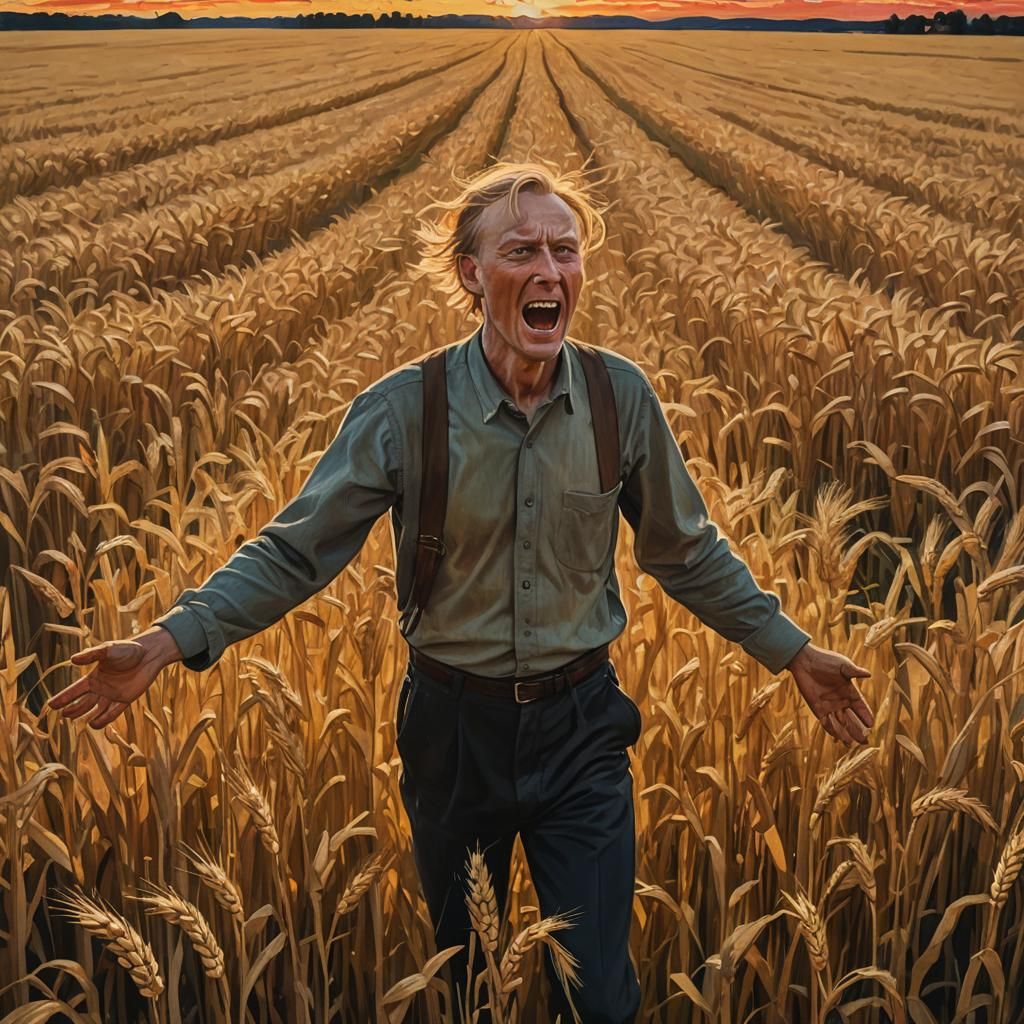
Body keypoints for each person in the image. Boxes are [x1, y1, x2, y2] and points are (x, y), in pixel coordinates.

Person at [47, 161, 875, 1023]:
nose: (550, 269)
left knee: (598, 998)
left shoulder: (617, 398)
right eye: (522, 250)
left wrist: (793, 651)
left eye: (567, 248)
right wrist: (166, 640)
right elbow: (297, 552)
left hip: (582, 728)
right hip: (451, 732)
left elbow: (687, 553)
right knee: (468, 983)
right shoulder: (406, 410)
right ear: (472, 275)